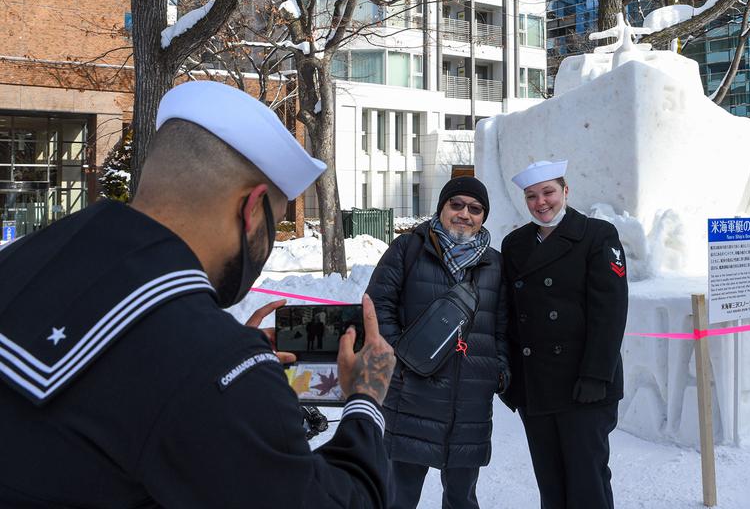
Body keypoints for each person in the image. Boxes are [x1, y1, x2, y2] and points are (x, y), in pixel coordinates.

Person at [0, 81, 396, 508]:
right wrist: (366, 399)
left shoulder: (23, 259)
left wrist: (227, 359)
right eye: (274, 222)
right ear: (252, 209)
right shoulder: (213, 365)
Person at [366, 176, 510, 509]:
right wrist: (398, 359)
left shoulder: (494, 264)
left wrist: (500, 370)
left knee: (461, 498)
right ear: (442, 208)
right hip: (411, 393)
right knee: (398, 496)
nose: (465, 214)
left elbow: (502, 327)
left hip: (469, 400)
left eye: (475, 209)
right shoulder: (409, 249)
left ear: (483, 217)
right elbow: (378, 305)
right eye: (456, 204)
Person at [500, 160, 628, 509]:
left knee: (587, 483)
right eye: (531, 196)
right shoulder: (515, 244)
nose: (541, 202)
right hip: (536, 386)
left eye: (548, 192)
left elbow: (610, 313)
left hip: (583, 385)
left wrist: (596, 375)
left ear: (565, 192)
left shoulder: (598, 236)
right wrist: (511, 377)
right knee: (551, 483)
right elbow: (509, 314)